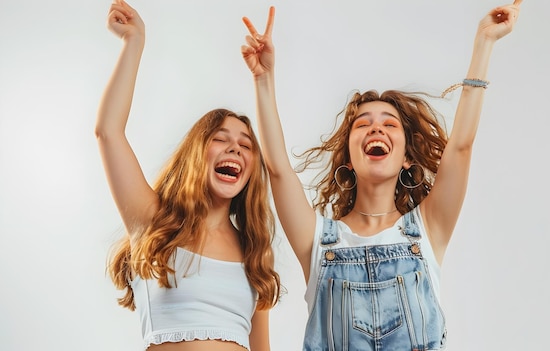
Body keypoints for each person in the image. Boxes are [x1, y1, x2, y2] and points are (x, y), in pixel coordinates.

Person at [242, 1, 522, 350]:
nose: (377, 129)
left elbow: (461, 147)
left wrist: (484, 43)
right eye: (363, 124)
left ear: (407, 158)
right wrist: (262, 78)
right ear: (348, 155)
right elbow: (278, 169)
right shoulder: (319, 242)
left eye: (389, 124)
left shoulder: (428, 228)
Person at [96, 1, 280, 350]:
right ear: (197, 154)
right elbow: (108, 132)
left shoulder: (256, 252)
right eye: (220, 140)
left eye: (245, 145)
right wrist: (133, 43)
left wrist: (265, 81)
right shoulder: (152, 221)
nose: (235, 149)